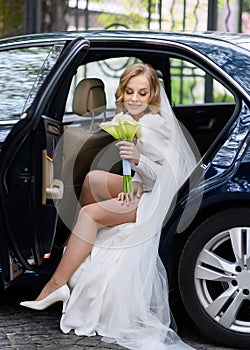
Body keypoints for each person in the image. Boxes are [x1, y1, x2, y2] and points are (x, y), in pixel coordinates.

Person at [20, 63, 196, 349]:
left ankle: (56, 284)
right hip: (147, 188)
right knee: (93, 179)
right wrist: (130, 183)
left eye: (142, 92)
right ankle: (82, 247)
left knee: (89, 213)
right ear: (122, 92)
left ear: (152, 95)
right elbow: (141, 174)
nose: (135, 98)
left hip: (161, 201)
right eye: (130, 91)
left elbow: (168, 175)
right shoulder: (134, 119)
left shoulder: (153, 126)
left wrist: (138, 159)